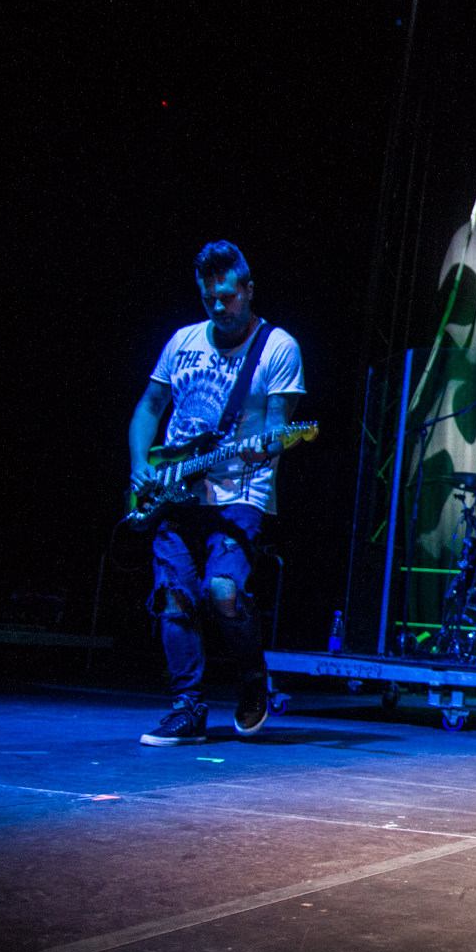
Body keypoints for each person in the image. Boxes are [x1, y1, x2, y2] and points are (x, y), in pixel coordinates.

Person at [129, 241, 305, 746]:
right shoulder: (182, 340)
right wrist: (142, 465)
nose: (219, 307)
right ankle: (187, 708)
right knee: (172, 597)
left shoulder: (277, 348)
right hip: (173, 493)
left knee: (223, 592)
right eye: (210, 299)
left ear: (248, 290)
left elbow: (276, 432)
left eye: (228, 296)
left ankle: (254, 680)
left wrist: (263, 449)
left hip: (240, 494)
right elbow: (149, 407)